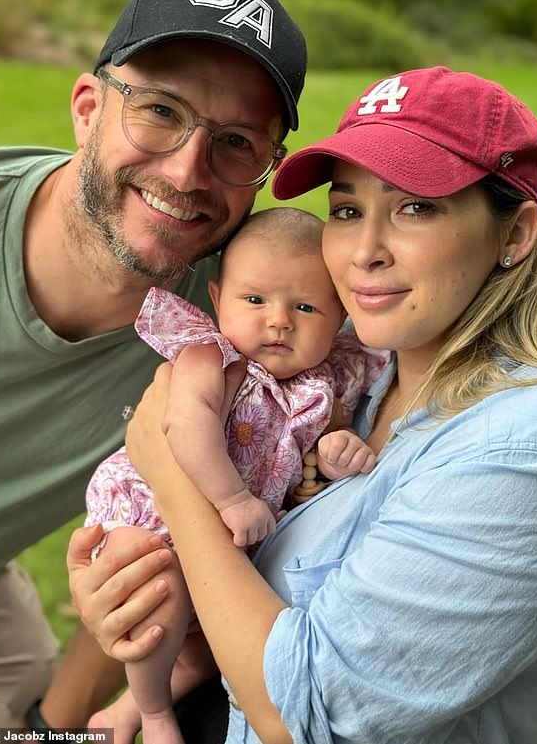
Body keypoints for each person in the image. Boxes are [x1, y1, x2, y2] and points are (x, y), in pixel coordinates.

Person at [68, 65, 537, 744]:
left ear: (514, 234)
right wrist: (129, 589)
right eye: (346, 210)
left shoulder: (530, 452)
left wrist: (174, 480)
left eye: (414, 207)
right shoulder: (354, 374)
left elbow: (305, 712)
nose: (363, 252)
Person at [0, 0, 307, 733]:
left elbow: (153, 544)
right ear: (87, 108)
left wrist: (57, 718)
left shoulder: (237, 321)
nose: (187, 170)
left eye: (237, 142)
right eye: (159, 110)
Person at [84, 206, 388, 744]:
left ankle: (123, 712)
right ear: (218, 300)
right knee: (158, 594)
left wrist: (339, 450)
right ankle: (155, 716)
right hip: (151, 508)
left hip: (225, 539)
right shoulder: (213, 356)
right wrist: (231, 499)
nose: (279, 321)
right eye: (255, 300)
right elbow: (182, 426)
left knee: (203, 651)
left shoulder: (322, 382)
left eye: (305, 306)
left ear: (339, 316)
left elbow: (319, 449)